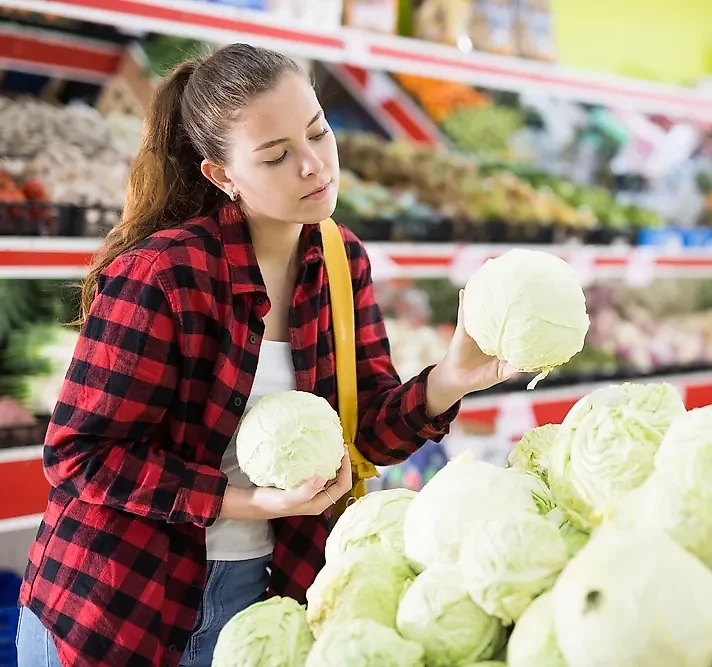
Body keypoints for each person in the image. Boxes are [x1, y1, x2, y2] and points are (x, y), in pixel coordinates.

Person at [16, 44, 515, 667]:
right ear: (222, 176)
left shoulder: (340, 260)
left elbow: (360, 435)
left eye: (318, 133)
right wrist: (250, 503)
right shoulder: (165, 275)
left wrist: (448, 380)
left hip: (266, 598)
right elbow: (80, 457)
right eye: (277, 156)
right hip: (124, 605)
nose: (313, 166)